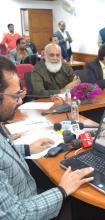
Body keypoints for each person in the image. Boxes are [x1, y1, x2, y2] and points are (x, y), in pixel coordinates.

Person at [0, 55, 94, 219]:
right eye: (15, 96)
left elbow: (3, 156)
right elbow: (14, 216)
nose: (20, 101)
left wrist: (27, 148)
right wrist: (62, 190)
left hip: (28, 194)